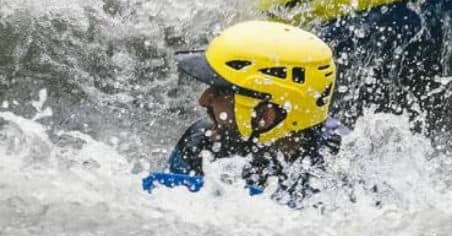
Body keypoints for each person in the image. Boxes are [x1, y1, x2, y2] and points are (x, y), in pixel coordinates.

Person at [142, 19, 347, 206]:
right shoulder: (200, 145)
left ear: (266, 116)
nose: (203, 100)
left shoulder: (344, 166)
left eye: (221, 91)